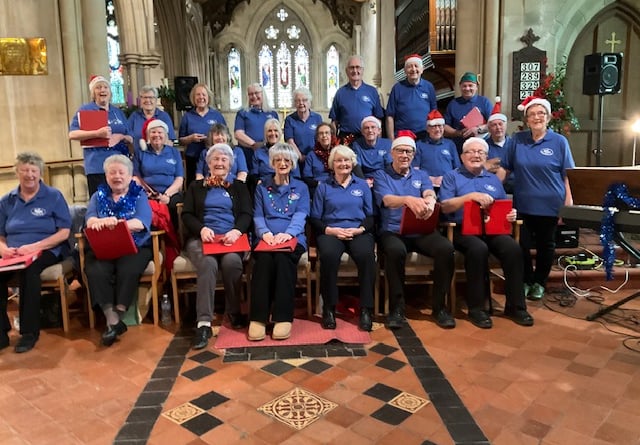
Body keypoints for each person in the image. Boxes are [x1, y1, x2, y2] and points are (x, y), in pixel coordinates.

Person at [439, 137, 534, 328]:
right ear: (462, 156)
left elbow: (501, 206)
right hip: (461, 230)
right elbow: (445, 206)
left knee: (513, 249)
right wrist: (469, 197)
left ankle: (516, 306)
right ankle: (477, 308)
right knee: (478, 249)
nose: (476, 155)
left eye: (480, 152)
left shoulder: (492, 178)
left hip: (491, 229)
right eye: (471, 152)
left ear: (486, 156)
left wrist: (510, 214)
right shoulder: (452, 176)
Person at [373, 134, 456, 329]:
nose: (404, 155)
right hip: (392, 231)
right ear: (392, 153)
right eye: (400, 151)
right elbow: (386, 200)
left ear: (413, 155)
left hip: (420, 230)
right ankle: (397, 309)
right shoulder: (381, 175)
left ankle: (439, 308)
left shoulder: (421, 174)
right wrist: (408, 200)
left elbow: (428, 191)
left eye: (408, 151)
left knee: (446, 249)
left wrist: (430, 199)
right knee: (395, 251)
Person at [501, 96, 575, 301]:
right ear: (526, 119)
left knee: (546, 245)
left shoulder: (559, 142)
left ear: (548, 117)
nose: (536, 117)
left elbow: (568, 175)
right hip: (522, 205)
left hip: (551, 205)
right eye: (531, 114)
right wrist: (492, 190)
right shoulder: (516, 140)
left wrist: (568, 203)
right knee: (521, 245)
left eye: (540, 113)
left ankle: (539, 282)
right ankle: (526, 279)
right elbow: (504, 170)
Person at [181, 143, 253, 349]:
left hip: (231, 237)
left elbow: (247, 213)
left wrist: (236, 231)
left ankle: (234, 310)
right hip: (202, 238)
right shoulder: (196, 187)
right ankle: (204, 322)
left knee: (232, 262)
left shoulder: (239, 187)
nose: (219, 163)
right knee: (208, 264)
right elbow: (187, 214)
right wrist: (201, 229)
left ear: (230, 164)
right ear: (208, 163)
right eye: (216, 159)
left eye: (224, 160)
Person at [0, 152, 72, 353]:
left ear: (40, 172)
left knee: (30, 272)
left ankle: (29, 332)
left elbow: (64, 232)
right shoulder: (7, 200)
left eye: (33, 170)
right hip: (13, 254)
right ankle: (1, 332)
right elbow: (0, 234)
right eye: (24, 170)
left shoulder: (53, 196)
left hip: (46, 250)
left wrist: (35, 247)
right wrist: (4, 249)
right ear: (17, 172)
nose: (29, 175)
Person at [84, 154, 153, 347]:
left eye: (121, 172)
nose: (117, 176)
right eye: (112, 172)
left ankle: (118, 314)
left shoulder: (139, 194)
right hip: (104, 247)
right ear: (106, 176)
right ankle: (112, 318)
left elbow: (141, 222)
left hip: (134, 246)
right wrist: (100, 222)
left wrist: (118, 223)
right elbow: (90, 219)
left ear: (130, 176)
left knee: (129, 268)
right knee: (95, 269)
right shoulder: (98, 196)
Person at [309, 145, 376, 331]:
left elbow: (371, 216)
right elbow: (315, 217)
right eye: (338, 160)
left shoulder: (362, 185)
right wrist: (331, 230)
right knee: (329, 257)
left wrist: (359, 230)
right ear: (332, 164)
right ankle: (329, 308)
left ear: (352, 162)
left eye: (346, 160)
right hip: (331, 231)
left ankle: (365, 309)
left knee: (366, 257)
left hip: (357, 231)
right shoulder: (323, 187)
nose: (343, 164)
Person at [248, 143, 310, 341]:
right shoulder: (261, 187)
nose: (282, 163)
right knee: (264, 262)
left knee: (283, 261)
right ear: (271, 163)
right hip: (266, 239)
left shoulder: (301, 187)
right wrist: (265, 234)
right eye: (278, 160)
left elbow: (301, 214)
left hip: (293, 238)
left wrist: (289, 234)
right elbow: (257, 215)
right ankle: (258, 318)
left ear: (292, 163)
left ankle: (283, 317)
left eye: (286, 160)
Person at [68, 75, 133, 195]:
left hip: (119, 165)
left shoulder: (118, 112)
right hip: (97, 165)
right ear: (93, 92)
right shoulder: (85, 110)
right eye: (98, 88)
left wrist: (121, 137)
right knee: (101, 201)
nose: (102, 90)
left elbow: (130, 136)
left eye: (105, 87)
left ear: (110, 91)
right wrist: (97, 133)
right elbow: (72, 134)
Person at [133, 119, 184, 231]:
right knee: (145, 205)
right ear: (147, 135)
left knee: (173, 204)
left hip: (170, 193)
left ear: (165, 135)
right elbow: (135, 177)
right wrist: (149, 193)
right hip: (147, 193)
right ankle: (152, 242)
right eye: (153, 132)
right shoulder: (140, 152)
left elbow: (179, 178)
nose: (157, 135)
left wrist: (166, 195)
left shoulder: (174, 152)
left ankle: (172, 241)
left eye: (160, 132)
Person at [178, 83, 226, 186]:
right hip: (193, 158)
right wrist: (190, 139)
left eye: (204, 95)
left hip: (214, 158)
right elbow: (178, 141)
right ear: (193, 98)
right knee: (194, 185)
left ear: (208, 97)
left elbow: (226, 135)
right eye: (198, 95)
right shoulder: (187, 116)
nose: (201, 97)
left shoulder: (217, 115)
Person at [329, 55, 384, 143]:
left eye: (358, 67)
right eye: (351, 68)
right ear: (347, 71)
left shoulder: (372, 91)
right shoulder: (340, 93)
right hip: (345, 139)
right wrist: (334, 142)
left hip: (367, 138)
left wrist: (378, 142)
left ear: (362, 70)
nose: (355, 71)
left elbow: (378, 120)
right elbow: (334, 121)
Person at [385, 54, 437, 139]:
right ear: (405, 71)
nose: (413, 69)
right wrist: (391, 140)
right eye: (410, 67)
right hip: (403, 135)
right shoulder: (397, 88)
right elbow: (390, 116)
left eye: (416, 66)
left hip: (425, 136)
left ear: (422, 69)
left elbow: (434, 113)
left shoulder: (429, 87)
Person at [443, 72, 493, 154]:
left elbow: (492, 123)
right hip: (459, 147)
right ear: (460, 86)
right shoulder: (453, 103)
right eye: (464, 86)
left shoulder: (484, 102)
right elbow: (445, 126)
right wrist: (458, 133)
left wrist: (478, 129)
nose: (467, 88)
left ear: (476, 87)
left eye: (470, 85)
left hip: (481, 146)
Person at [234, 83, 279, 172]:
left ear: (263, 94)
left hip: (267, 155)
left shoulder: (272, 113)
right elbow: (238, 134)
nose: (254, 96)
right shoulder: (242, 113)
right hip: (247, 153)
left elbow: (277, 133)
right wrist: (254, 145)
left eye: (256, 93)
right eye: (250, 94)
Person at [413, 110, 461, 190]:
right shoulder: (419, 145)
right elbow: (415, 169)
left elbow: (457, 169)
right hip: (426, 186)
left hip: (448, 185)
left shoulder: (450, 144)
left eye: (440, 126)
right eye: (434, 126)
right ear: (428, 129)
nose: (438, 129)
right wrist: (431, 179)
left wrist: (446, 179)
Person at [127, 85, 176, 151]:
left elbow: (171, 140)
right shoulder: (134, 116)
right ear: (140, 99)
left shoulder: (164, 116)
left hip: (159, 156)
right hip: (139, 156)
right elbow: (128, 137)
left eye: (151, 97)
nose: (147, 100)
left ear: (156, 100)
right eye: (144, 97)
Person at [284, 87, 323, 164]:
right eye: (298, 101)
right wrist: (300, 157)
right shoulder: (289, 119)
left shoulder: (317, 118)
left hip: (315, 158)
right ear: (295, 103)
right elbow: (290, 141)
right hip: (296, 159)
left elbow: (320, 139)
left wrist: (313, 156)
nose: (301, 103)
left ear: (309, 102)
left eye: (304, 100)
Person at [484, 98, 514, 194]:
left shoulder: (515, 144)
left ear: (505, 125)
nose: (498, 128)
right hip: (491, 189)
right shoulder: (483, 146)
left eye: (500, 124)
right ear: (489, 128)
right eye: (494, 125)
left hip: (515, 188)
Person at [350, 116, 392, 183]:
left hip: (383, 178)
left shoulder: (387, 144)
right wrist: (363, 182)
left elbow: (389, 165)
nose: (370, 130)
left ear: (379, 131)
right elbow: (356, 165)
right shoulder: (356, 145)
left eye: (373, 127)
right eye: (366, 128)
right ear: (362, 132)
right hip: (364, 178)